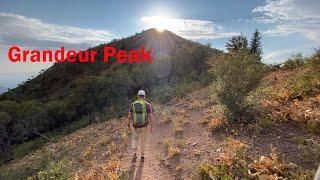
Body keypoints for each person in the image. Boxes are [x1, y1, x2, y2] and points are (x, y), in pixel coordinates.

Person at [127, 90, 153, 162]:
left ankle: (134, 153)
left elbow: (129, 116)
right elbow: (150, 116)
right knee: (143, 141)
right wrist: (151, 126)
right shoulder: (147, 104)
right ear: (144, 96)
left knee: (135, 139)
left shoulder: (133, 104)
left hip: (135, 126)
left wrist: (128, 125)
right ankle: (142, 156)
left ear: (138, 96)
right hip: (144, 126)